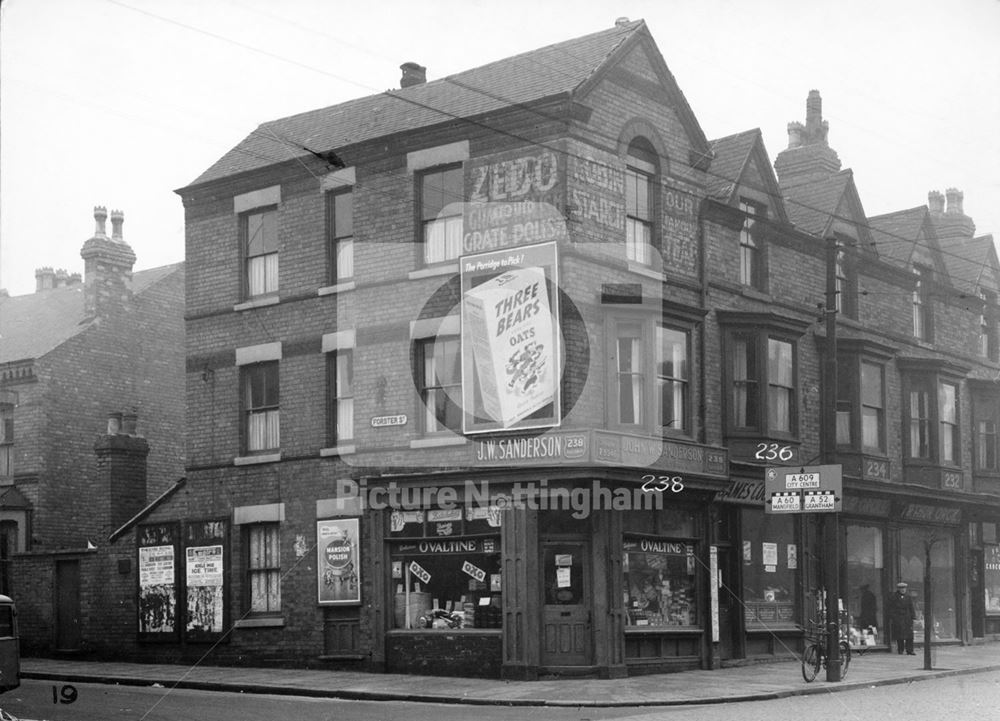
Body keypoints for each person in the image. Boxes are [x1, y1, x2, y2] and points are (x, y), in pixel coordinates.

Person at [888, 581, 916, 655]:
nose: (903, 590)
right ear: (898, 589)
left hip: (907, 618)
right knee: (900, 635)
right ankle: (900, 649)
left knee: (909, 635)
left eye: (904, 588)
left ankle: (909, 650)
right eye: (901, 588)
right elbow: (891, 608)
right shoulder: (894, 597)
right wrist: (894, 617)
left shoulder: (908, 597)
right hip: (898, 618)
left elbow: (911, 607)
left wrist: (913, 617)